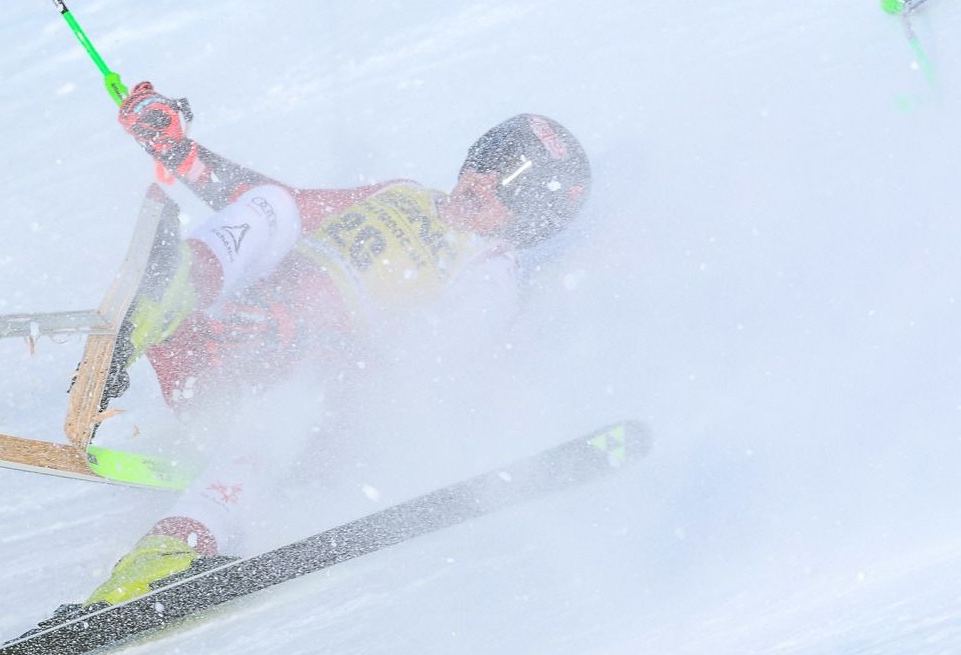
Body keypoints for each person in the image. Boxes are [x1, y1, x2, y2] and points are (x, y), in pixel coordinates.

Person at [60, 82, 591, 617]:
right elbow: (275, 208)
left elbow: (421, 372)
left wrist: (307, 336)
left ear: (531, 218)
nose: (487, 179)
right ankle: (158, 305)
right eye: (490, 158)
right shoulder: (405, 194)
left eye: (514, 183)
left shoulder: (491, 270)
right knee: (273, 204)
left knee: (282, 414)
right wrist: (181, 154)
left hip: (309, 410)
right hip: (222, 348)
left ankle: (165, 558)